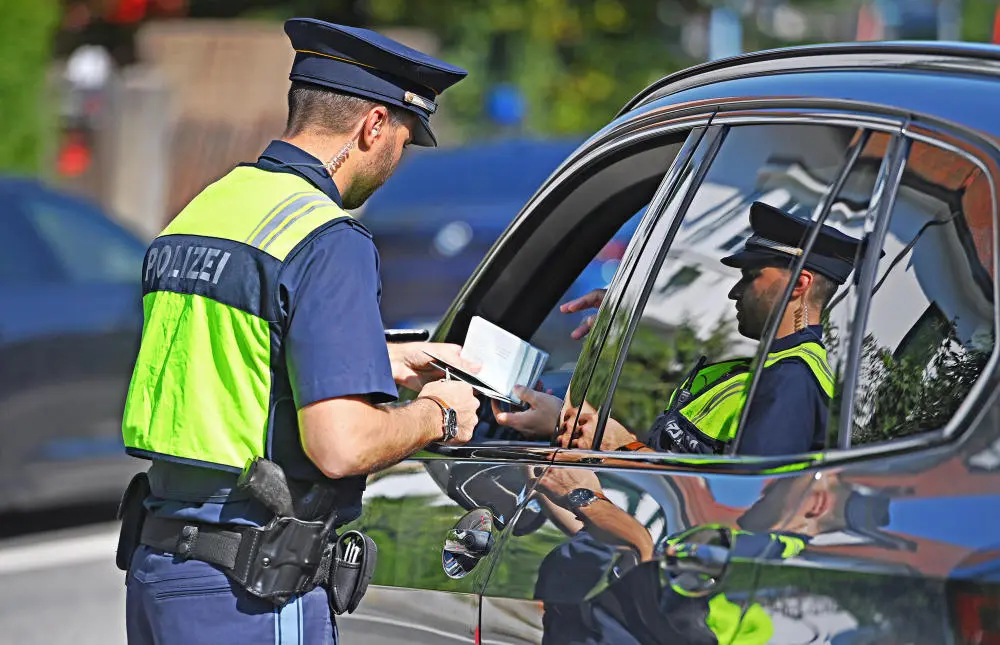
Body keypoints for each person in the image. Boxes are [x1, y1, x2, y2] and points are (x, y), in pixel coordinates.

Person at [117, 19, 480, 645]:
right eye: (403, 138)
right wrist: (439, 415)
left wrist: (375, 357)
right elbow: (340, 446)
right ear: (373, 125)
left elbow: (224, 358)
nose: (396, 160)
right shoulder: (326, 239)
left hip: (162, 568)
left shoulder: (207, 209)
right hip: (248, 586)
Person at [495, 201, 866, 456]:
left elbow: (742, 508)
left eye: (752, 276)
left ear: (798, 285)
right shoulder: (763, 372)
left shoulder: (791, 381)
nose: (736, 290)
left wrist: (618, 447)